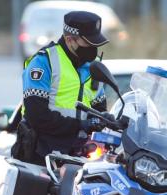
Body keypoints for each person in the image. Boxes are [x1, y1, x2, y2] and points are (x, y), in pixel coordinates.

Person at [12, 11, 111, 166]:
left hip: (80, 154)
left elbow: (99, 108)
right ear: (70, 39)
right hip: (41, 153)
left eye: (95, 44)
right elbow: (37, 115)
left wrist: (108, 119)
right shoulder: (44, 62)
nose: (93, 48)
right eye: (88, 43)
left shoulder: (93, 66)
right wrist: (80, 125)